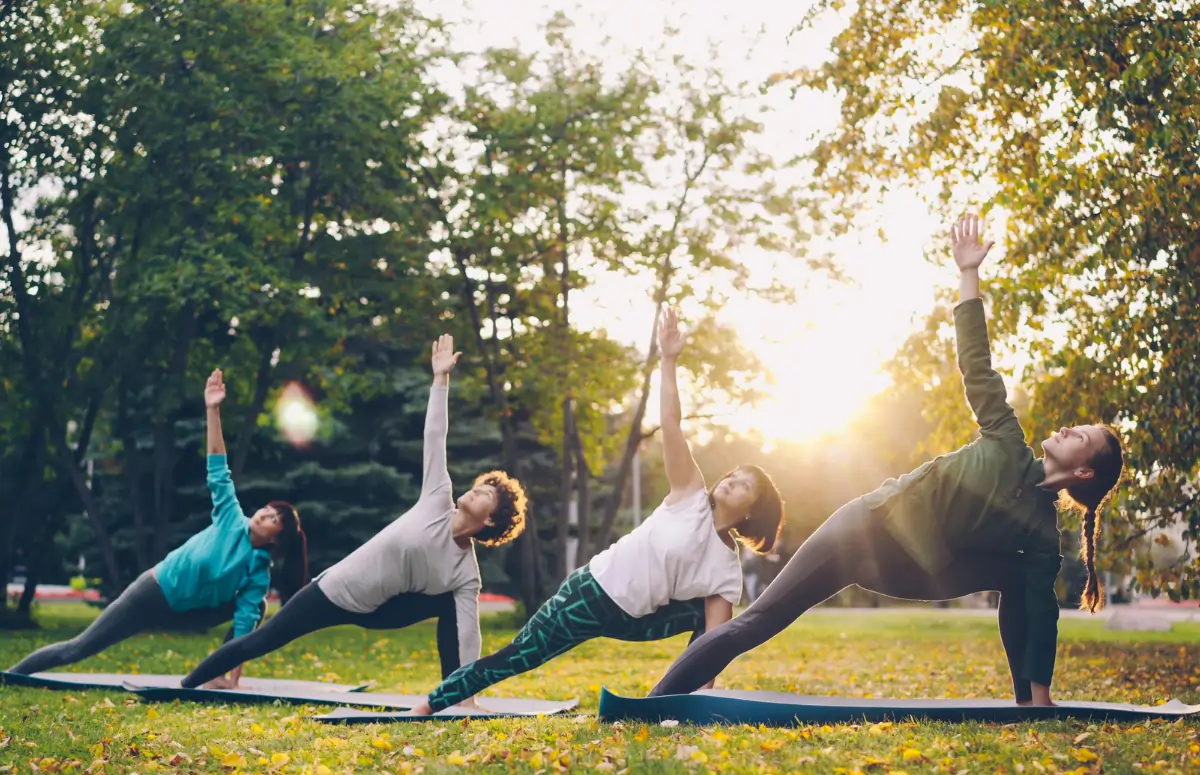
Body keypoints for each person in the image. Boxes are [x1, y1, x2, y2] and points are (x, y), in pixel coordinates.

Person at [648, 214, 1125, 707]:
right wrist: (967, 273)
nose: (1067, 428)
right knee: (757, 623)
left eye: (1081, 435)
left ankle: (1028, 700)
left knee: (1021, 578)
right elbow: (975, 362)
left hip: (912, 568)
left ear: (1084, 470)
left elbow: (1042, 612)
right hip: (862, 532)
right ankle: (654, 698)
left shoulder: (1042, 532)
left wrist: (1043, 693)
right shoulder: (1007, 438)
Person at [405, 308, 786, 715]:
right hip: (590, 592)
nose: (730, 481)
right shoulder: (690, 494)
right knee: (519, 656)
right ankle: (429, 704)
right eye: (733, 474)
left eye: (744, 484)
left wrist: (701, 697)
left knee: (716, 628)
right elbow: (672, 424)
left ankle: (671, 699)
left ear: (751, 511)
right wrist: (669, 360)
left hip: (635, 619)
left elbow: (714, 644)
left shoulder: (726, 570)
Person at [181, 335, 527, 696]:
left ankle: (453, 694)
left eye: (487, 494)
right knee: (264, 639)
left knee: (454, 604)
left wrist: (468, 694)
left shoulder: (465, 573)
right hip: (334, 591)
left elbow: (468, 633)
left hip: (381, 612)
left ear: (489, 521)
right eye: (483, 485)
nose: (477, 488)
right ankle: (189, 682)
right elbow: (435, 435)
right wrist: (440, 379)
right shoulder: (437, 497)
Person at [11, 369, 309, 688]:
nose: (263, 514)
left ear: (276, 540)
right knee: (79, 648)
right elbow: (218, 464)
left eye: (273, 519)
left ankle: (217, 678)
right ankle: (11, 676)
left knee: (256, 606)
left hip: (186, 614)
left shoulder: (258, 572)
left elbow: (245, 623)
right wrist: (212, 409)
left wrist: (236, 680)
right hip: (153, 593)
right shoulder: (229, 518)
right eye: (267, 510)